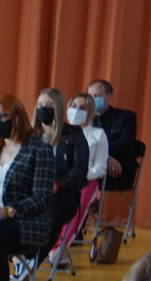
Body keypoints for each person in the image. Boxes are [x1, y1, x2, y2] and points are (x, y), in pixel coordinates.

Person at [0, 94, 56, 281]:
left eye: (3, 116)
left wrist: (9, 210)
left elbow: (41, 197)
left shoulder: (39, 150)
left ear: (17, 116)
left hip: (26, 221)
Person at [49, 92, 108, 266]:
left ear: (90, 112)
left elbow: (100, 168)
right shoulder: (58, 132)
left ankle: (58, 249)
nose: (77, 110)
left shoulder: (98, 134)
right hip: (58, 182)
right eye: (74, 106)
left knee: (75, 205)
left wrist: (76, 176)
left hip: (86, 182)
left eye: (82, 108)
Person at [35, 87, 88, 271]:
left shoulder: (73, 134)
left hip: (61, 194)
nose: (43, 108)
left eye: (49, 105)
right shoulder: (29, 135)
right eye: (40, 105)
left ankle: (29, 267)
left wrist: (58, 185)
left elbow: (80, 169)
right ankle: (18, 263)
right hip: (32, 192)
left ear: (58, 107)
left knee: (50, 218)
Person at [86, 79, 138, 191]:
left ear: (108, 95)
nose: (93, 99)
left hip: (117, 169)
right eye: (90, 96)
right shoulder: (85, 119)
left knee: (81, 177)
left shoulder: (126, 117)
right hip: (92, 164)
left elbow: (123, 144)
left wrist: (100, 155)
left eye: (97, 96)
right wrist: (104, 157)